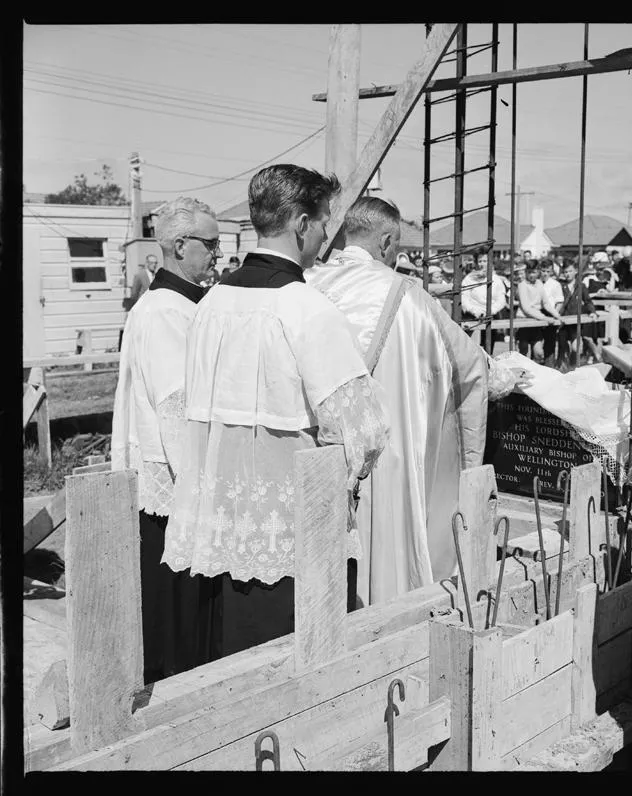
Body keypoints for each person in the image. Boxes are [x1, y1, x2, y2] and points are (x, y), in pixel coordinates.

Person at [162, 165, 389, 656]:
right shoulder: (306, 307)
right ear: (301, 224)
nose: (327, 234)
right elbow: (363, 432)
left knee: (232, 665)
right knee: (298, 671)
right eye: (325, 221)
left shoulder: (209, 304)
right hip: (292, 536)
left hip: (221, 528)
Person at [307, 196, 489, 604]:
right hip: (381, 461)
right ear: (387, 241)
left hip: (316, 456)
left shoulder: (308, 284)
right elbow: (465, 367)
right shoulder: (407, 297)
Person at [111, 197, 221, 683]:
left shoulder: (186, 303)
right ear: (180, 245)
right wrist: (206, 483)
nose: (217, 253)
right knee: (174, 617)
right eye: (210, 243)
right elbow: (176, 408)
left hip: (187, 486)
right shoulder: (161, 312)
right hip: (175, 489)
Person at [461, 250, 509, 352]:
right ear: (476, 262)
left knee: (488, 349)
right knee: (472, 349)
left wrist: (490, 311)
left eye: (485, 261)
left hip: (490, 316)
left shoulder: (496, 279)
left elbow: (501, 300)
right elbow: (464, 299)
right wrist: (475, 311)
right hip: (472, 317)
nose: (482, 264)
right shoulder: (469, 279)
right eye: (480, 261)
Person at [515, 261, 563, 361]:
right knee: (523, 352)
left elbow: (545, 303)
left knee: (539, 353)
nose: (531, 275)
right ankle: (521, 374)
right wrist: (545, 318)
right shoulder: (522, 285)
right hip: (523, 321)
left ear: (538, 272)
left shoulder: (539, 283)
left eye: (534, 272)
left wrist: (557, 315)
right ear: (526, 272)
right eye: (529, 272)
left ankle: (534, 373)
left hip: (536, 322)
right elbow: (526, 308)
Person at [557, 260, 599, 368]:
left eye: (570, 271)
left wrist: (592, 312)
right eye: (565, 272)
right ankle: (562, 369)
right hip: (562, 322)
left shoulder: (581, 286)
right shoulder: (560, 286)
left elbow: (588, 301)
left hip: (575, 323)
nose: (567, 274)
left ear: (575, 271)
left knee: (576, 348)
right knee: (563, 348)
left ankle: (572, 367)